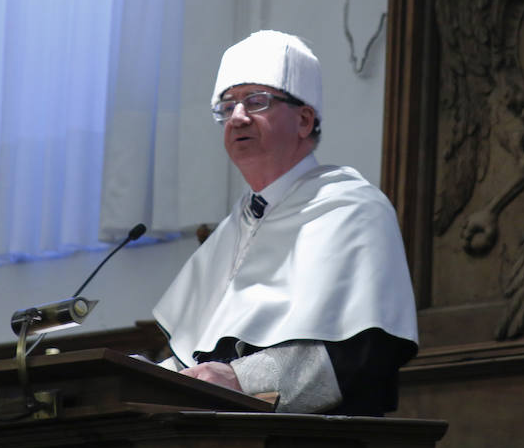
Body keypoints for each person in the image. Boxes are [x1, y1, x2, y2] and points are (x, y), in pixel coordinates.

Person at [152, 30, 418, 415]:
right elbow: (195, 358)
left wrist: (243, 380)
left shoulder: (354, 210)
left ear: (304, 120)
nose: (237, 117)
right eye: (227, 107)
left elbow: (364, 352)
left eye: (256, 102)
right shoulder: (229, 233)